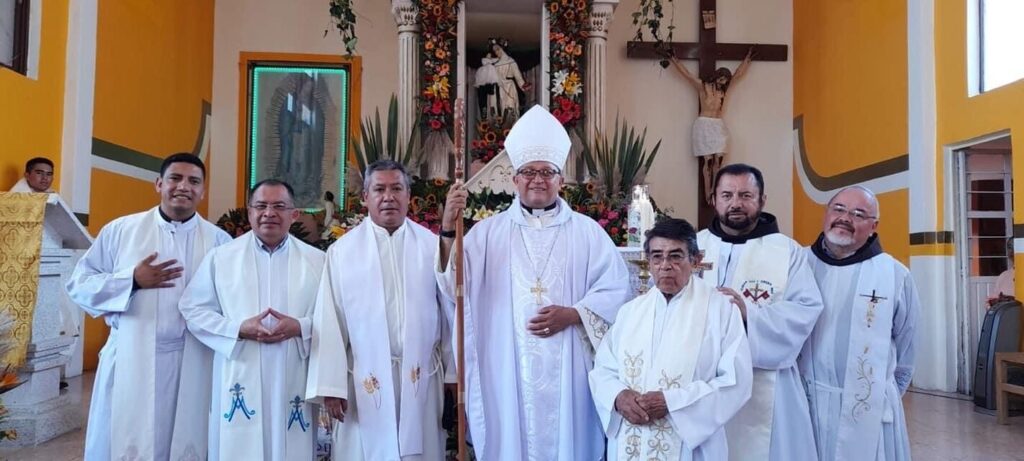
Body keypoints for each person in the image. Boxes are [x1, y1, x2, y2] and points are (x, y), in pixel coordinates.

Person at [439, 105, 631, 460]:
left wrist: (575, 314)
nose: (538, 179)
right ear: (514, 180)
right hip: (506, 367)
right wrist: (450, 228)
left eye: (547, 172)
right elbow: (456, 288)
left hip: (571, 367)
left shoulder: (588, 234)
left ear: (561, 180)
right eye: (528, 172)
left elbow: (618, 291)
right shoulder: (486, 234)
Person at [65, 153, 232, 460]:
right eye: (175, 178)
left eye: (194, 181)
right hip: (132, 354)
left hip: (194, 359)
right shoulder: (122, 230)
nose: (183, 187)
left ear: (203, 191)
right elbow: (79, 284)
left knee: (189, 437)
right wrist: (132, 280)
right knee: (126, 439)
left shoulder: (220, 242)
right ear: (158, 184)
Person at [307, 160, 454, 460]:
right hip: (363, 379)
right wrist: (332, 384)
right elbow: (329, 318)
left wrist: (454, 374)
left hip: (421, 377)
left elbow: (450, 313)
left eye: (397, 188)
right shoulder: (343, 251)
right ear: (365, 197)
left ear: (408, 196)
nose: (388, 196)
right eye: (380, 189)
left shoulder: (431, 246)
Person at [177, 179, 325, 460]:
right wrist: (237, 329)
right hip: (239, 367)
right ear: (249, 212)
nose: (269, 213)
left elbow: (333, 316)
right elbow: (192, 309)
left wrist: (301, 326)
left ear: (294, 214)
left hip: (294, 368)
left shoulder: (317, 261)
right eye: (261, 205)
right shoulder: (221, 258)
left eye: (279, 206)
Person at [590, 218, 752, 460]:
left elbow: (736, 382)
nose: (665, 266)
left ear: (695, 260)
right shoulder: (631, 311)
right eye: (657, 256)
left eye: (676, 256)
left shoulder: (721, 311)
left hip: (691, 447)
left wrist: (672, 403)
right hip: (632, 442)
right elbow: (603, 369)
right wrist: (618, 396)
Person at [695, 163, 823, 461]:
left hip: (766, 384)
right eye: (726, 195)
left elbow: (806, 309)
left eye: (745, 195)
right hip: (701, 378)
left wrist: (748, 314)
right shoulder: (695, 246)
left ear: (762, 200)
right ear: (714, 199)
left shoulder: (787, 250)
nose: (735, 203)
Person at [799, 186, 919, 461]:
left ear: (874, 225)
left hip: (868, 409)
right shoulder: (798, 263)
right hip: (807, 400)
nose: (845, 218)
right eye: (838, 209)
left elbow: (907, 349)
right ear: (826, 214)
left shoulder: (893, 275)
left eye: (858, 213)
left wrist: (875, 394)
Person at [670, 49, 752, 204]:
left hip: (718, 125)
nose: (724, 82)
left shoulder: (724, 90)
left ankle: (716, 190)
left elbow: (738, 75)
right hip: (704, 125)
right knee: (707, 161)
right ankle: (708, 192)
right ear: (718, 76)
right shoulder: (703, 87)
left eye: (725, 80)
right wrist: (674, 59)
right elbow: (687, 75)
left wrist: (747, 59)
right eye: (722, 79)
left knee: (718, 161)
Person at [489, 38, 529, 120]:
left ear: (503, 49)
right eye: (495, 50)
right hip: (497, 88)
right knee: (496, 108)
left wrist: (523, 86)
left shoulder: (511, 61)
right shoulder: (495, 64)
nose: (496, 52)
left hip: (509, 88)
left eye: (498, 49)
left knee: (510, 109)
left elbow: (518, 76)